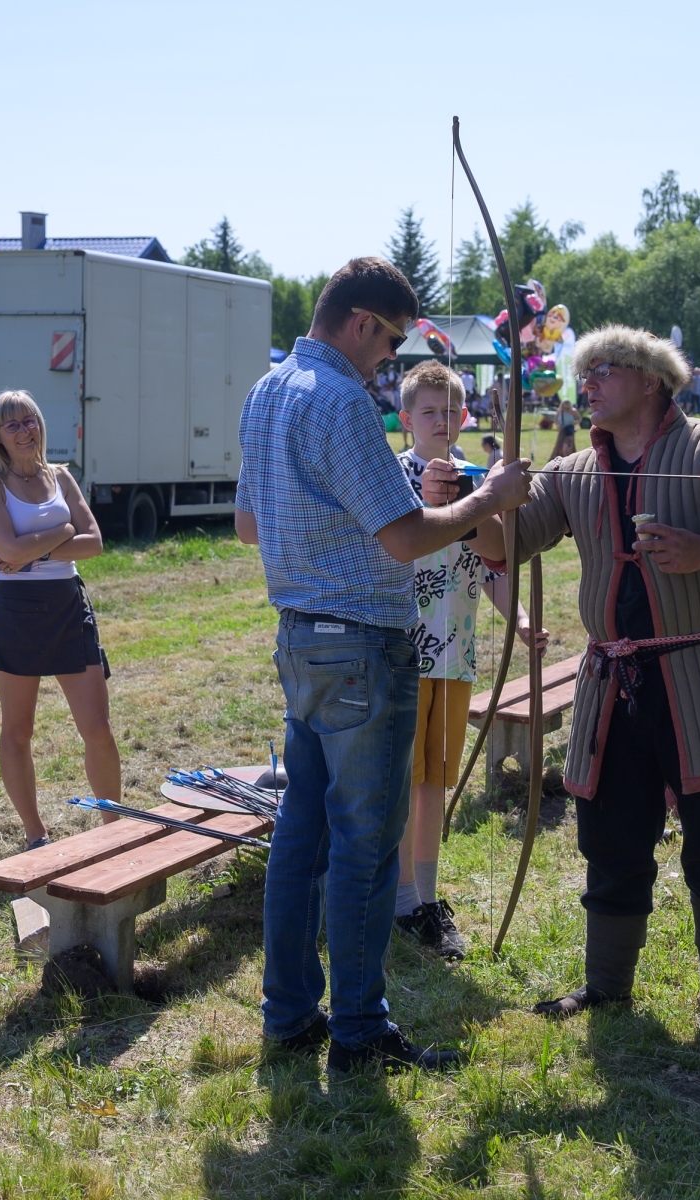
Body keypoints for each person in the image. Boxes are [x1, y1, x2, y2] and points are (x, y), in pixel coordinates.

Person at [234, 257, 530, 1074]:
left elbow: (248, 525)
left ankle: (289, 1015)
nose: (389, 361)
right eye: (391, 342)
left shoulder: (267, 391)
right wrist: (484, 501)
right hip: (363, 644)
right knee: (364, 847)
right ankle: (359, 1032)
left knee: (302, 837)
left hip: (301, 637)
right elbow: (402, 538)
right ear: (361, 322)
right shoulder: (340, 399)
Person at [496, 326, 700, 1032]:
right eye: (584, 372)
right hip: (612, 682)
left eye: (603, 369)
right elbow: (506, 545)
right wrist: (481, 500)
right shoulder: (575, 471)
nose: (587, 383)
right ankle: (607, 987)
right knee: (609, 838)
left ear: (649, 379)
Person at [393, 362, 544, 960]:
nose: (441, 421)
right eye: (428, 411)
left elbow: (495, 565)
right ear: (406, 419)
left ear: (464, 417)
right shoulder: (392, 477)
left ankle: (425, 897)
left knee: (435, 779)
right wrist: (438, 502)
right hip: (402, 655)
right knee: (403, 780)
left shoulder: (480, 484)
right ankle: (400, 897)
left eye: (450, 411)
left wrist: (520, 619)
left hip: (454, 656)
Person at [0, 391, 119, 850]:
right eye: (12, 424)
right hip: (16, 610)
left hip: (68, 604)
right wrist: (62, 531)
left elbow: (94, 543)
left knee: (98, 729)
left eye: (29, 420)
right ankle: (36, 834)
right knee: (18, 731)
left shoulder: (61, 477)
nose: (24, 431)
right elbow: (7, 549)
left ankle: (114, 829)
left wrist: (29, 551)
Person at [550, 393, 578, 460]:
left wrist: (575, 422)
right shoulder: (560, 411)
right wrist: (558, 424)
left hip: (569, 430)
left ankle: (570, 458)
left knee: (568, 446)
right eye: (564, 407)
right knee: (560, 445)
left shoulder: (573, 411)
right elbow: (555, 419)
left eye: (567, 407)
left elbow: (579, 418)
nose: (565, 409)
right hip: (562, 430)